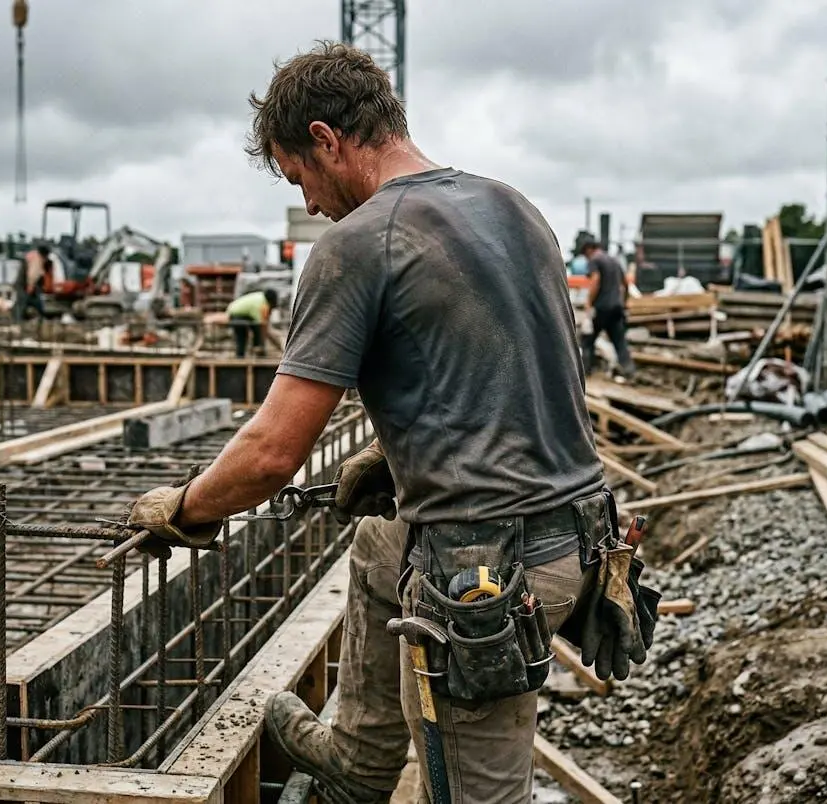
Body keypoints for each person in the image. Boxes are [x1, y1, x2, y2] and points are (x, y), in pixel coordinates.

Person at [120, 42, 656, 803]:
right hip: (581, 538)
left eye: (299, 175)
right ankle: (361, 756)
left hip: (492, 581)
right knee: (380, 540)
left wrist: (182, 509)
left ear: (327, 140)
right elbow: (518, 374)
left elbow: (272, 453)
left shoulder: (356, 244)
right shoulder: (512, 206)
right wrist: (393, 451)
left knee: (480, 794)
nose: (307, 202)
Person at [580, 233, 635, 378]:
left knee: (587, 340)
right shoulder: (614, 261)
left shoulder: (595, 260)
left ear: (588, 250)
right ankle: (629, 371)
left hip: (601, 308)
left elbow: (595, 280)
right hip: (616, 308)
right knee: (620, 342)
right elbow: (626, 283)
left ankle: (585, 371)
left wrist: (588, 303)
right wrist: (624, 302)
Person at [225, 288, 278, 357]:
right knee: (243, 334)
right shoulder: (261, 303)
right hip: (236, 315)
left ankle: (257, 349)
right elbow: (261, 324)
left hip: (243, 314)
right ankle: (243, 355)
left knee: (256, 328)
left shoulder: (261, 297)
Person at [15, 245, 50, 322]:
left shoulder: (32, 255)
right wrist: (30, 285)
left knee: (25, 302)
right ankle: (18, 321)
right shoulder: (37, 259)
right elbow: (33, 274)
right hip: (25, 284)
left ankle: (20, 319)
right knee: (22, 303)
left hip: (22, 283)